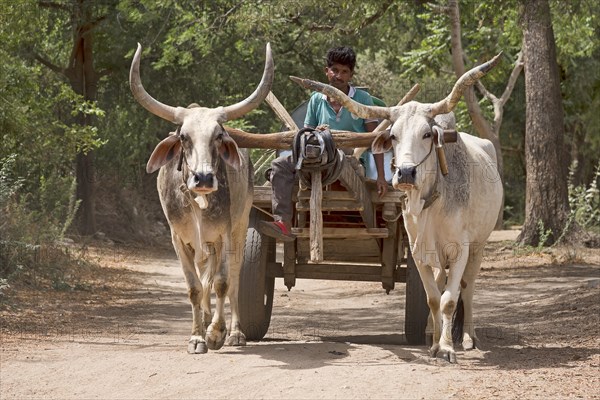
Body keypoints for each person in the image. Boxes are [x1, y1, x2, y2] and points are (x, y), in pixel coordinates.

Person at [259, 46, 388, 241]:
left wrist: (381, 177)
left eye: (344, 71)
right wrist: (315, 133)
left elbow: (376, 140)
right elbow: (305, 134)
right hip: (316, 158)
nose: (339, 75)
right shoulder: (316, 100)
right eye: (335, 70)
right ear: (326, 71)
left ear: (351, 74)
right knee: (279, 166)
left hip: (351, 162)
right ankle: (283, 223)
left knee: (342, 155)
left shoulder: (362, 99)